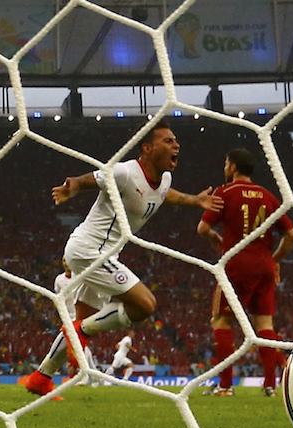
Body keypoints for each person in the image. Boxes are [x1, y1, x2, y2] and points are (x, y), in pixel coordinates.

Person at [25, 120, 223, 397]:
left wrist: (195, 200)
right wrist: (74, 187)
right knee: (145, 305)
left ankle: (41, 377)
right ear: (147, 148)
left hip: (105, 254)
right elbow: (92, 179)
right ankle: (81, 332)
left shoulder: (164, 179)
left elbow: (164, 195)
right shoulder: (125, 172)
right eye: (167, 141)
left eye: (176, 141)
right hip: (88, 250)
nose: (176, 145)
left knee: (82, 321)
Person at [197, 148, 293, 397]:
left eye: (226, 164)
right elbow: (291, 235)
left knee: (221, 321)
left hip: (235, 265)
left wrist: (214, 237)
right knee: (264, 324)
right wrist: (274, 260)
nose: (225, 168)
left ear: (232, 167)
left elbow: (202, 228)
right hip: (263, 267)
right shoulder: (268, 196)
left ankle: (225, 386)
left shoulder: (225, 193)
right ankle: (270, 385)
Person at [55, 257, 98, 386]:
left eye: (68, 260)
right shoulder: (59, 280)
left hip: (80, 316)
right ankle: (94, 374)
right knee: (79, 345)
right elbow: (58, 299)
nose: (66, 264)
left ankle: (85, 376)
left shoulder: (80, 276)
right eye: (64, 261)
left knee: (76, 344)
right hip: (67, 317)